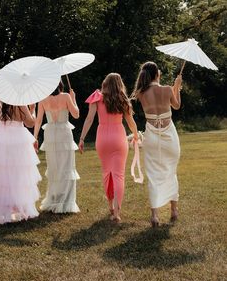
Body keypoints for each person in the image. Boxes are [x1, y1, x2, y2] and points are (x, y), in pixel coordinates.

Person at [78, 73, 138, 223]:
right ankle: (116, 212)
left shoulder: (97, 97)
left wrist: (82, 138)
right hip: (118, 138)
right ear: (120, 84)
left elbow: (89, 119)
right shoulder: (122, 100)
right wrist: (136, 135)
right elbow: (131, 122)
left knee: (107, 173)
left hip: (102, 138)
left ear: (105, 83)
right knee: (118, 175)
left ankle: (110, 206)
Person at [131, 61, 182, 227]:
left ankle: (154, 215)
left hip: (152, 136)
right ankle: (174, 210)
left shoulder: (140, 93)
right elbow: (176, 105)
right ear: (157, 74)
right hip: (169, 136)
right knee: (170, 170)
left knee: (153, 174)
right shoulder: (167, 89)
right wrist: (177, 87)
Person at [0, 99, 41, 224]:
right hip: (17, 141)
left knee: (0, 176)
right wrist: (32, 109)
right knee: (18, 175)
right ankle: (19, 209)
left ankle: (3, 212)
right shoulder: (20, 103)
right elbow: (31, 123)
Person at [34, 81, 80, 214]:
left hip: (50, 134)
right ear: (60, 85)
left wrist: (35, 137)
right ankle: (66, 200)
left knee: (54, 166)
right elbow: (76, 114)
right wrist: (74, 99)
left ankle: (55, 197)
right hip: (64, 133)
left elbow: (38, 120)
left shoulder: (42, 99)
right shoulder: (66, 96)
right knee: (66, 166)